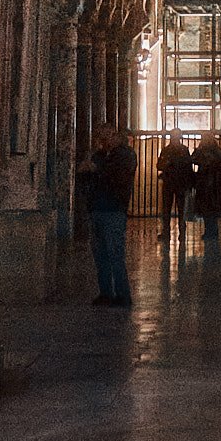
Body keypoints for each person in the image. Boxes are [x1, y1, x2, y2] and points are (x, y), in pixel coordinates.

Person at [78, 124, 137, 306]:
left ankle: (122, 294)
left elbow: (117, 177)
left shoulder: (125, 155)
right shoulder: (99, 156)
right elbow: (85, 176)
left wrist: (95, 170)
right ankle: (105, 292)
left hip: (114, 209)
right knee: (100, 255)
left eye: (106, 137)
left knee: (115, 253)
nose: (104, 141)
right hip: (97, 208)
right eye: (100, 138)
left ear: (114, 135)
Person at [155, 132, 197, 242]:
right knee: (180, 209)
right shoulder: (183, 150)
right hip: (179, 183)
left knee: (168, 209)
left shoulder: (167, 150)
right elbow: (188, 167)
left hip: (171, 182)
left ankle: (167, 232)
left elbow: (159, 165)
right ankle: (181, 233)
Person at [192, 133, 221, 244]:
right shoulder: (217, 151)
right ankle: (211, 230)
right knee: (209, 208)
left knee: (209, 207)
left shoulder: (213, 152)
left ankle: (211, 231)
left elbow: (194, 159)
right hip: (209, 183)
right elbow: (194, 159)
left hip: (210, 183)